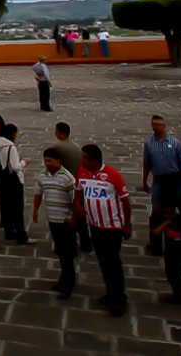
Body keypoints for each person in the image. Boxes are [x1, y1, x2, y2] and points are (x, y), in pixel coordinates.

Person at [75, 143, 132, 317]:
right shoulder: (81, 172)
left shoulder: (113, 175)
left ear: (94, 159)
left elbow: (125, 201)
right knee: (103, 262)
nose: (81, 160)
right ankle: (110, 292)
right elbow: (78, 193)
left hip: (112, 227)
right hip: (94, 225)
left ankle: (119, 298)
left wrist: (127, 224)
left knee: (113, 263)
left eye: (84, 157)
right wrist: (79, 209)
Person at [140, 114, 181, 255]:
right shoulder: (149, 144)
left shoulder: (175, 143)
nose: (156, 127)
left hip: (176, 179)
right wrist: (144, 180)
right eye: (154, 124)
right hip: (159, 180)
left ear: (164, 126)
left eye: (159, 124)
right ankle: (155, 245)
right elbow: (147, 163)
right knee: (156, 212)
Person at [33, 148, 79, 296]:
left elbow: (75, 201)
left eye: (50, 160)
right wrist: (35, 210)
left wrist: (73, 219)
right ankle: (69, 277)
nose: (47, 163)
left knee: (66, 252)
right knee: (61, 251)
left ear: (59, 161)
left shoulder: (68, 178)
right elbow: (38, 194)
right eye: (45, 160)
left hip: (65, 221)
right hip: (53, 220)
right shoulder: (42, 176)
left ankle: (66, 282)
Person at [47, 122, 92, 254]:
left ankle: (68, 245)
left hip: (68, 185)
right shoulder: (74, 145)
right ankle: (86, 243)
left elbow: (53, 166)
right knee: (79, 215)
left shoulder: (58, 147)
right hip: (79, 183)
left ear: (59, 132)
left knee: (68, 216)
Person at [0, 123, 29, 244]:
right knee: (18, 208)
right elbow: (15, 166)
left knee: (8, 207)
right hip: (14, 181)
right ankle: (21, 234)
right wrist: (24, 163)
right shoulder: (11, 148)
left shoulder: (1, 145)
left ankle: (9, 232)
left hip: (5, 180)